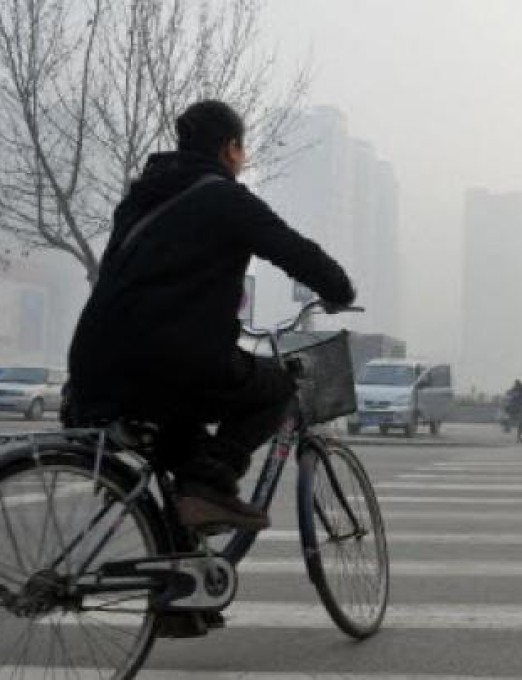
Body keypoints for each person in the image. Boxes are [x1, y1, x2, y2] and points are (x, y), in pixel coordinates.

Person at [66, 100, 356, 533]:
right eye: (242, 150)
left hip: (94, 369)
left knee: (184, 448)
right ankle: (209, 487)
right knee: (278, 387)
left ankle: (182, 580)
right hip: (171, 365)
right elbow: (293, 249)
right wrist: (339, 290)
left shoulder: (139, 201)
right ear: (231, 150)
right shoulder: (224, 199)